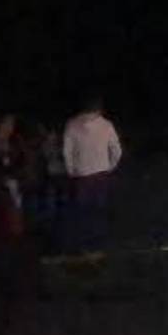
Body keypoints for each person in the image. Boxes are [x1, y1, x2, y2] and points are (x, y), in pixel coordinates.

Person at [62, 97, 123, 251]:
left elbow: (66, 152)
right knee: (99, 210)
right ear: (99, 109)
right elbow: (117, 150)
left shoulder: (72, 124)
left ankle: (84, 244)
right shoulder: (106, 125)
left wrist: (71, 171)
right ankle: (98, 244)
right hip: (101, 174)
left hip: (81, 175)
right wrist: (111, 166)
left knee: (82, 211)